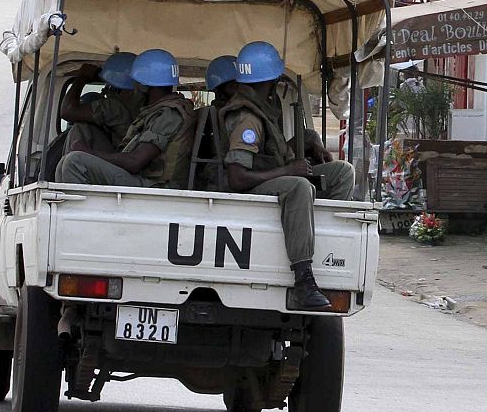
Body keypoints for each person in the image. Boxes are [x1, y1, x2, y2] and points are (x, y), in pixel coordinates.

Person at [215, 41, 358, 310]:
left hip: (268, 177)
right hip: (249, 188)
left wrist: (307, 139)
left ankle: (323, 244)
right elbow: (237, 178)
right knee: (298, 187)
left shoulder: (262, 107)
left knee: (341, 172)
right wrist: (287, 170)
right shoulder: (248, 117)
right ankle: (304, 279)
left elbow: (272, 151)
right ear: (270, 78)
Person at [54, 48, 194, 188]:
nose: (133, 88)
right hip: (143, 177)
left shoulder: (169, 115)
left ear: (145, 86)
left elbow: (135, 162)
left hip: (154, 185)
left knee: (74, 162)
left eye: (136, 82)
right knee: (71, 153)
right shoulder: (156, 110)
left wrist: (88, 152)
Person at [59, 51, 142, 153]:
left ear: (116, 87)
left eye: (109, 85)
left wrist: (82, 78)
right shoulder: (142, 101)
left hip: (120, 158)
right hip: (129, 156)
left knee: (81, 128)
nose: (105, 90)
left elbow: (68, 111)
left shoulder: (115, 106)